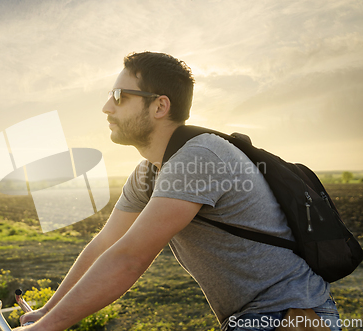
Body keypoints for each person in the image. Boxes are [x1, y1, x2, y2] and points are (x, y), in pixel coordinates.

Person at [17, 51, 341, 331]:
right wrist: (46, 312)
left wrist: (49, 326)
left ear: (160, 106)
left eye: (119, 96)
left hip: (291, 315)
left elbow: (131, 258)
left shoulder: (198, 157)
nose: (106, 107)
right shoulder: (149, 172)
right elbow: (107, 243)